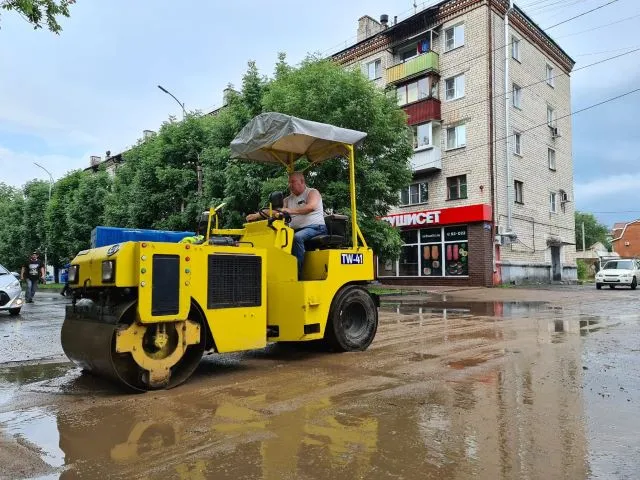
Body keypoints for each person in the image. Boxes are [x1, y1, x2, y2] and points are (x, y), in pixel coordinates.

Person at [247, 172, 327, 279]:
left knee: (296, 238)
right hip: (296, 230)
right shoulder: (288, 199)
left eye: (292, 182)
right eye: (289, 182)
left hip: (316, 228)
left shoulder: (312, 193)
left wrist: (290, 210)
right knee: (279, 240)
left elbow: (310, 207)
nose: (290, 185)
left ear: (302, 181)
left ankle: (296, 273)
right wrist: (256, 215)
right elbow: (276, 211)